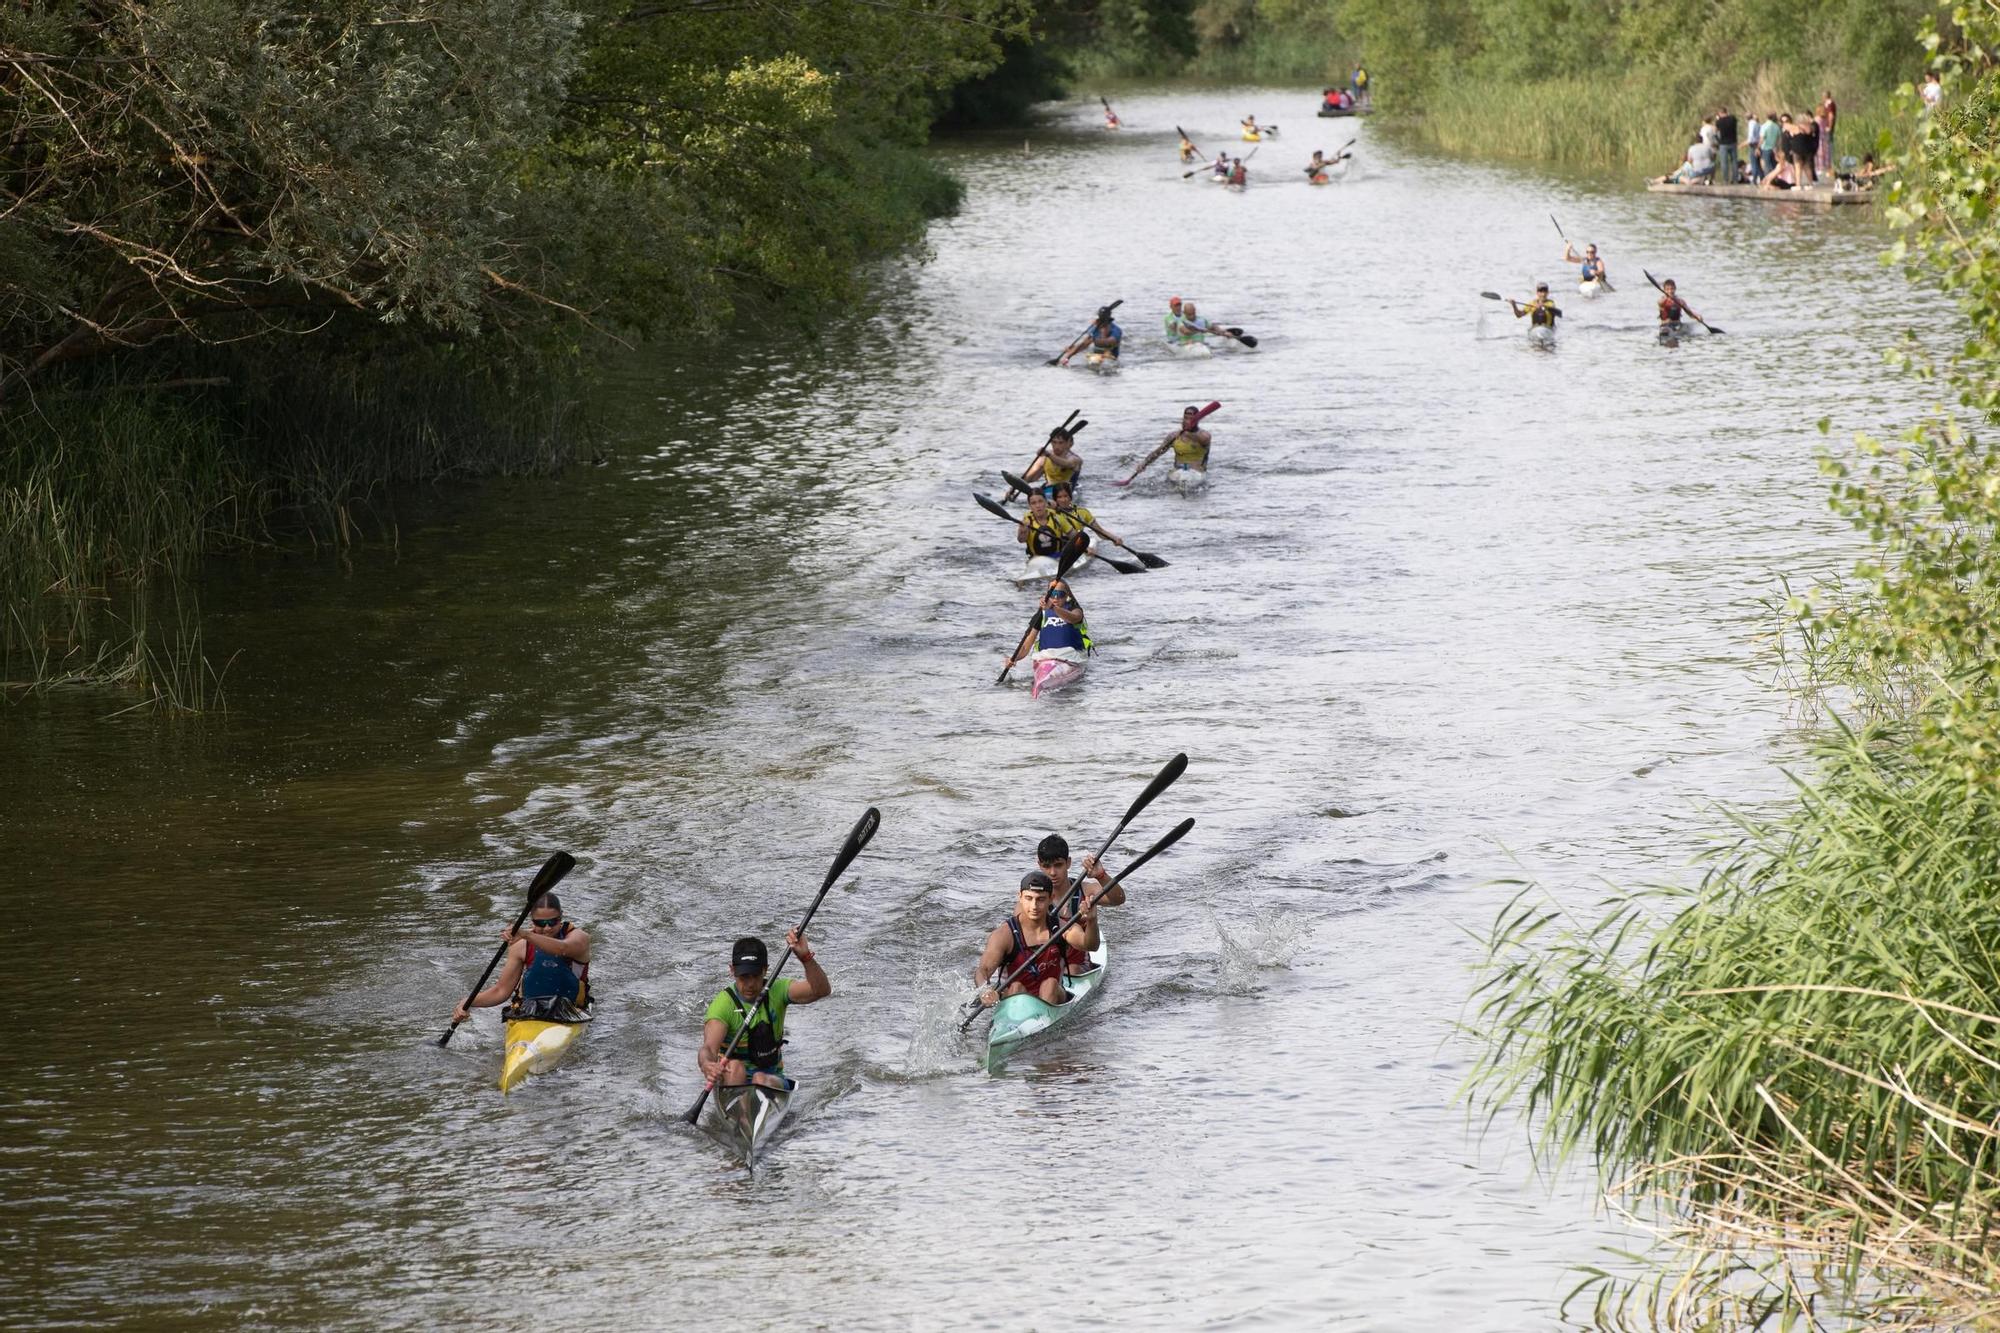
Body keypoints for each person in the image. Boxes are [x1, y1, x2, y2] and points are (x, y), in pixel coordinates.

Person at [698, 930, 828, 1091]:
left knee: (760, 1078)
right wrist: (707, 1065)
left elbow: (821, 990)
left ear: (765, 970)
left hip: (770, 1080)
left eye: (755, 975)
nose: (750, 984)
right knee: (735, 1067)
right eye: (744, 976)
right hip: (733, 1080)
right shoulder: (723, 1004)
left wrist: (805, 957)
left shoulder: (778, 990)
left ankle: (757, 1107)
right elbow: (709, 1048)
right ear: (732, 971)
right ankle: (742, 1115)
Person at [452, 891, 591, 1025]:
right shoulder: (521, 944)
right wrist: (468, 1002)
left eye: (553, 921)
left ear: (561, 917)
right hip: (529, 1012)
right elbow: (501, 991)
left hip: (571, 1012)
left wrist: (526, 935)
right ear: (532, 921)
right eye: (541, 923)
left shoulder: (579, 938)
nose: (547, 928)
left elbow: (563, 948)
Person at [973, 872, 1099, 1008]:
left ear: (1051, 898)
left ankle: (1042, 1020)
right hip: (1016, 999)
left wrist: (1092, 921)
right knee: (1016, 987)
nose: (1034, 906)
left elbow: (1090, 945)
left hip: (1053, 997)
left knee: (1049, 984)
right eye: (1028, 898)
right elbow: (983, 970)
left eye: (1040, 899)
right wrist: (985, 991)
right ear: (1020, 897)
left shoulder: (1062, 928)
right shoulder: (1004, 934)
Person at [1035, 833, 1118, 972]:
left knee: (1071, 970)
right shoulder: (1033, 900)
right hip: (1045, 966)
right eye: (1047, 866)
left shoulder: (1085, 890)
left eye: (1058, 865)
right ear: (1039, 865)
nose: (1053, 872)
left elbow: (1118, 899)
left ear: (1068, 863)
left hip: (1077, 966)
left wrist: (1101, 876)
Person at [1001, 576, 1092, 685]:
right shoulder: (1041, 614)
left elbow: (1074, 618)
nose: (1056, 598)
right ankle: (1042, 684)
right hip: (1046, 659)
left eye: (1060, 594)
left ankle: (1050, 682)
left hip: (1071, 658)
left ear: (1067, 596)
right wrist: (1014, 658)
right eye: (1052, 594)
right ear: (1048, 595)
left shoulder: (1075, 609)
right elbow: (1026, 646)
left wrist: (1053, 607)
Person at [1123, 404, 1213, 484]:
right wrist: (1144, 463)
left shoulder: (1204, 435)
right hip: (1178, 473)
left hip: (1197, 474)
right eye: (1185, 418)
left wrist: (1187, 434)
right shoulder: (1174, 436)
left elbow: (1204, 440)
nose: (1187, 421)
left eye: (1191, 419)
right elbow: (1158, 452)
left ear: (1197, 420)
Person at [1048, 481, 1130, 560]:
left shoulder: (1082, 512)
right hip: (1054, 550)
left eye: (1065, 496)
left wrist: (1114, 538)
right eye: (1059, 497)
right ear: (1055, 499)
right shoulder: (1049, 512)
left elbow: (1100, 531)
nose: (1063, 500)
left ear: (1070, 496)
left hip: (1075, 547)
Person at [1022, 424, 1084, 496]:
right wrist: (1015, 488)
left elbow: (1067, 464)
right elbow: (1030, 478)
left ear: (1067, 443)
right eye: (1054, 442)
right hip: (1048, 490)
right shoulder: (1044, 458)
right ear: (1050, 442)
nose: (1057, 446)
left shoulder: (1075, 459)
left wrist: (1048, 455)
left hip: (1065, 494)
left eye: (1060, 443)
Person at [1016, 489, 1065, 563]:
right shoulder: (1027, 521)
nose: (1038, 506)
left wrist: (1084, 548)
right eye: (1033, 503)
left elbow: (1072, 534)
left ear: (1045, 502)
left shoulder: (1056, 517)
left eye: (1040, 501)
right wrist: (1022, 531)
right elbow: (1021, 540)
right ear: (1030, 506)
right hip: (1036, 561)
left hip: (1057, 558)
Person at [1714, 107, 1739, 189]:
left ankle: (1726, 180)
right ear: (1726, 112)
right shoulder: (1732, 119)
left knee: (1724, 162)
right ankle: (1735, 179)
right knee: (1734, 161)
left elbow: (1715, 131)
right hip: (1733, 142)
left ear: (1720, 113)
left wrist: (1718, 119)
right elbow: (1733, 118)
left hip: (1723, 144)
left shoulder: (1719, 121)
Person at [1817, 91, 1836, 176]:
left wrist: (1829, 127)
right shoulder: (1827, 104)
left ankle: (1828, 168)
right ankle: (1826, 167)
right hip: (1825, 128)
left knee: (1827, 148)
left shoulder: (1829, 104)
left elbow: (1831, 116)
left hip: (1827, 129)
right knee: (1825, 147)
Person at [1760, 111, 1782, 179]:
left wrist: (1757, 147)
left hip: (1766, 148)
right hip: (1774, 148)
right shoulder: (1777, 126)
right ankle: (1774, 179)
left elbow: (1762, 138)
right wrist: (1778, 148)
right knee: (1774, 165)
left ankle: (1768, 180)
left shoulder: (1764, 126)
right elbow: (1779, 139)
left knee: (1767, 165)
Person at [1743, 112, 1763, 182]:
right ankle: (1761, 178)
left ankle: (1754, 179)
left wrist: (1744, 144)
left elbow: (1751, 137)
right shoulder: (1758, 124)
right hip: (1758, 145)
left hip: (1753, 145)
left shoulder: (1751, 124)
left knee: (1754, 163)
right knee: (1758, 163)